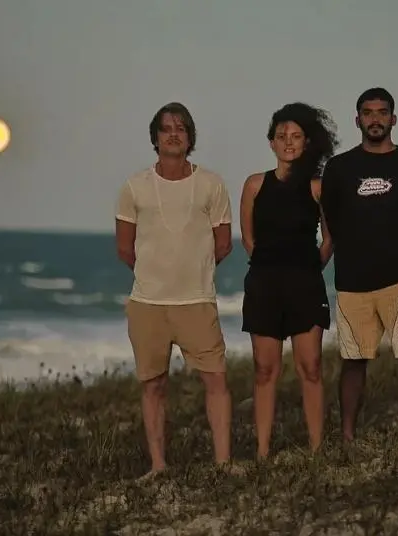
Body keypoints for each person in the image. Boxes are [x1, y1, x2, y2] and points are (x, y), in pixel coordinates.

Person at [114, 102, 233, 477]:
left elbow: (223, 244)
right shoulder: (134, 187)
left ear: (190, 136)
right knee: (153, 385)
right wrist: (157, 276)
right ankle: (158, 465)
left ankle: (223, 464)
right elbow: (124, 248)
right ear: (155, 137)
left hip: (197, 302)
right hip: (148, 304)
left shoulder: (211, 184)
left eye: (181, 128)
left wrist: (192, 273)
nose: (173, 134)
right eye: (166, 129)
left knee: (216, 379)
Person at [319, 87, 398, 442]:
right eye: (368, 113)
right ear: (357, 120)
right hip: (353, 282)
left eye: (382, 112)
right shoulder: (339, 169)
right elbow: (329, 222)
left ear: (393, 119)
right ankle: (347, 437)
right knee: (353, 361)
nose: (375, 119)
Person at [239, 102, 339, 458]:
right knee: (265, 370)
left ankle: (316, 448)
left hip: (305, 286)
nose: (288, 142)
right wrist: (271, 267)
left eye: (296, 136)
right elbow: (248, 239)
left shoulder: (318, 188)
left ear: (306, 142)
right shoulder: (254, 184)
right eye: (281, 136)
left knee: (310, 367)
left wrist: (309, 269)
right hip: (264, 285)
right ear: (271, 143)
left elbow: (329, 239)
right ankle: (262, 452)